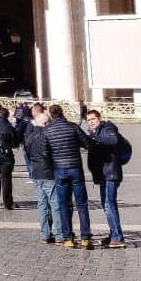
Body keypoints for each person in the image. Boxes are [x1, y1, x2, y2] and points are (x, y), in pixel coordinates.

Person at [45, 104, 93, 249]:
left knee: (64, 205)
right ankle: (85, 237)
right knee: (82, 204)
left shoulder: (47, 131)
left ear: (51, 115)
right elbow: (88, 144)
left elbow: (44, 152)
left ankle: (68, 238)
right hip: (75, 168)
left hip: (59, 170)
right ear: (62, 113)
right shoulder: (73, 127)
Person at [86, 109, 126, 248]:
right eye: (89, 120)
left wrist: (94, 138)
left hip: (111, 174)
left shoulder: (107, 128)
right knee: (106, 205)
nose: (91, 122)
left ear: (99, 118)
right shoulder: (96, 132)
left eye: (93, 119)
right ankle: (113, 233)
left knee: (109, 205)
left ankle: (117, 237)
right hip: (104, 174)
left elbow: (113, 140)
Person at [24, 111, 64, 244]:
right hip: (48, 173)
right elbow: (52, 154)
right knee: (55, 204)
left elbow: (28, 154)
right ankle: (59, 234)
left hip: (36, 173)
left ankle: (45, 234)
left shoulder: (29, 137)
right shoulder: (48, 136)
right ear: (46, 123)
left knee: (42, 204)